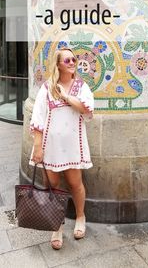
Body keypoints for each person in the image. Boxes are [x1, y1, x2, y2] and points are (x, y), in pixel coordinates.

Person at [29, 47, 94, 250]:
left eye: (73, 59)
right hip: (50, 146)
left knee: (75, 183)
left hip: (73, 146)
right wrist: (38, 148)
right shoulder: (47, 88)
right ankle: (56, 225)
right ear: (58, 65)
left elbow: (86, 108)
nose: (72, 62)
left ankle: (80, 216)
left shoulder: (82, 86)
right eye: (67, 60)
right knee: (53, 186)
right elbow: (38, 119)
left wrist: (65, 96)